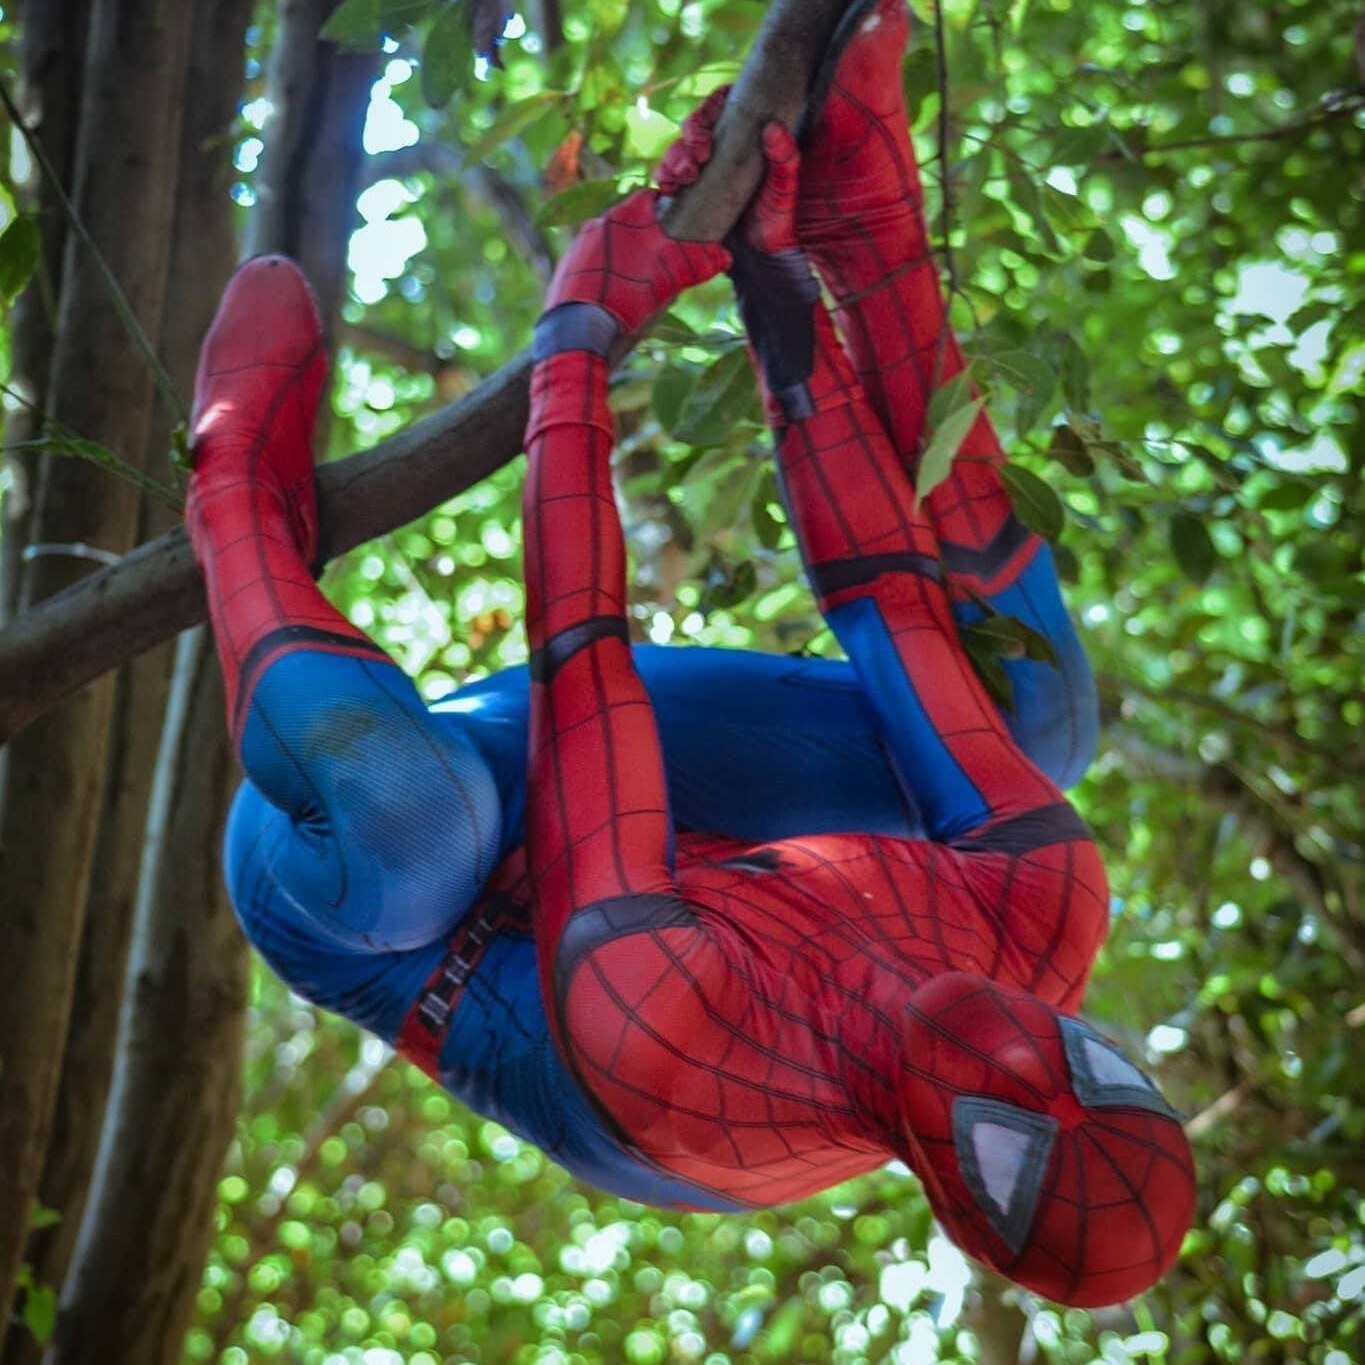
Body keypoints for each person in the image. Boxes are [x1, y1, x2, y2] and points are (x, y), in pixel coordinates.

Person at [186, 0, 1194, 1306]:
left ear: (951, 1197)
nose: (1019, 1061)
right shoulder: (1040, 909)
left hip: (409, 908)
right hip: (677, 830)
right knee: (1038, 721)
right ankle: (860, 211)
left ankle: (231, 502)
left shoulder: (691, 1058)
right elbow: (884, 597)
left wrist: (578, 344)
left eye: (1010, 1142)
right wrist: (773, 275)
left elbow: (581, 655)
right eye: (1091, 1068)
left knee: (407, 817)